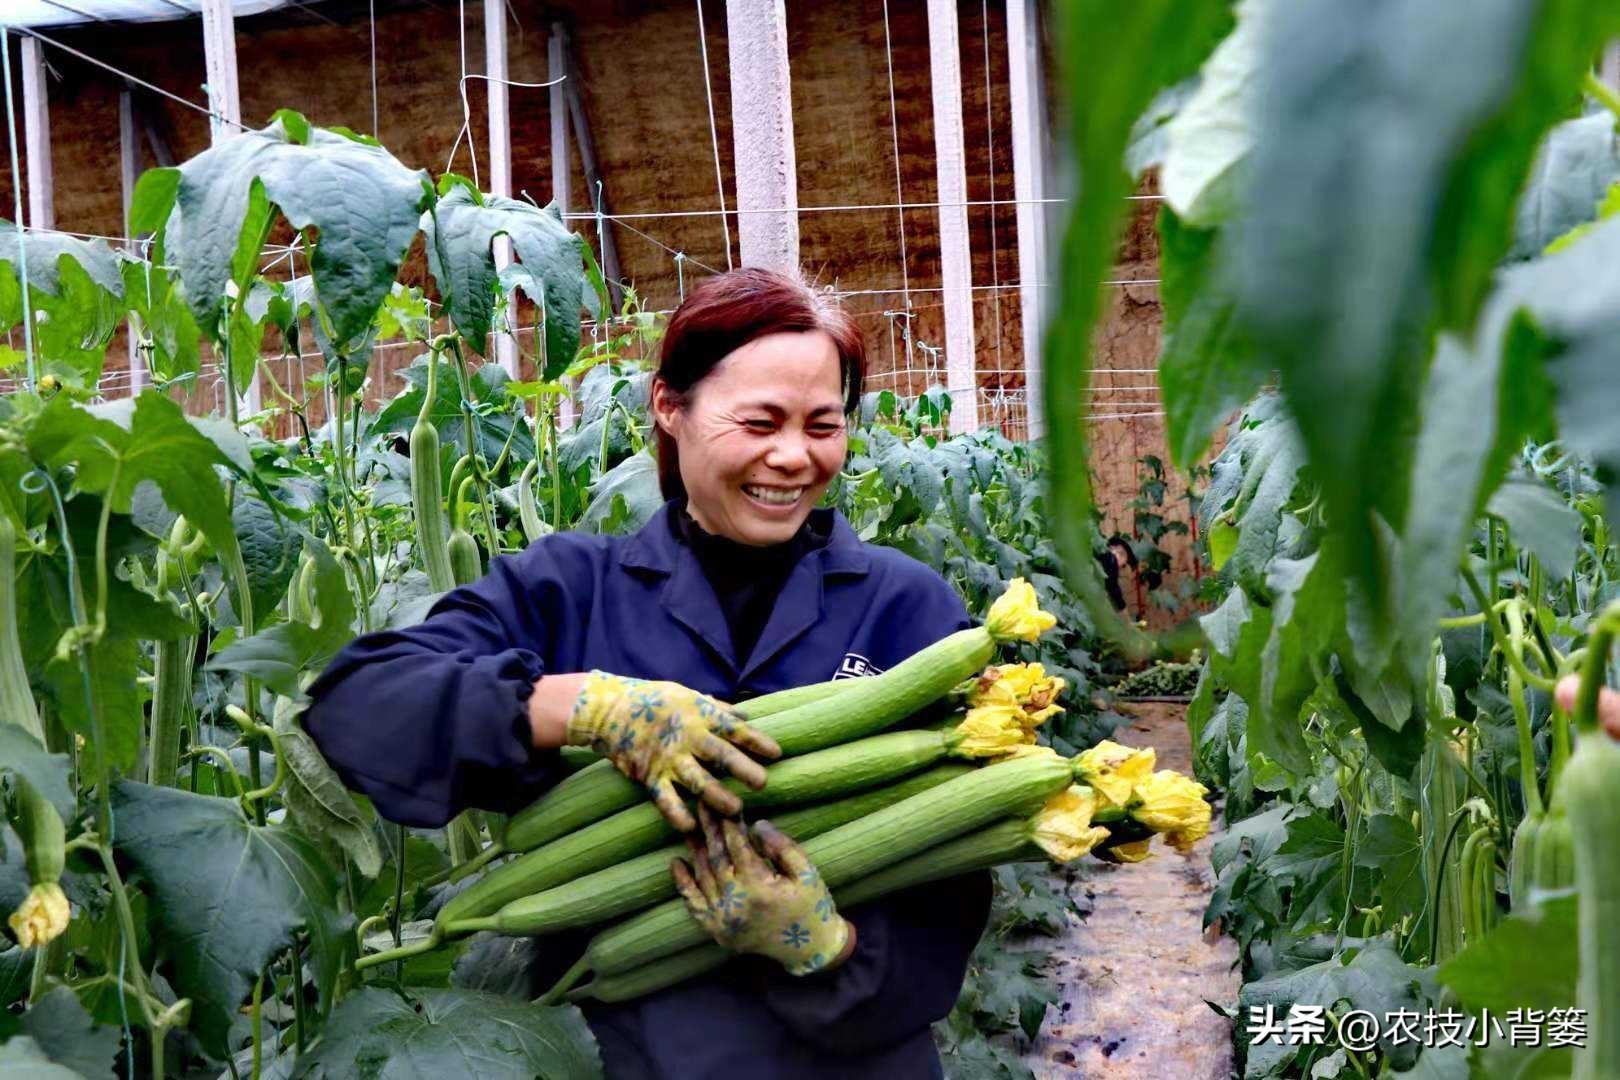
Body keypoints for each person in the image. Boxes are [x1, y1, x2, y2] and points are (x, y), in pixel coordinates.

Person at [303, 267, 992, 1078]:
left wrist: (826, 947)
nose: (794, 457)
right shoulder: (568, 588)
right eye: (761, 421)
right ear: (669, 407)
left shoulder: (910, 610)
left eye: (824, 425)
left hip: (854, 1058)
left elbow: (954, 872)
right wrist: (582, 706)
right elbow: (357, 704)